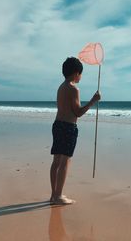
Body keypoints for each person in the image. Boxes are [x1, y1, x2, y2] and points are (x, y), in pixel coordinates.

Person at [50, 57, 101, 205]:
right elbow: (78, 112)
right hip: (68, 127)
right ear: (76, 73)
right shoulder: (73, 88)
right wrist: (93, 100)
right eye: (81, 74)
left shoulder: (61, 87)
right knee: (65, 161)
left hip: (58, 124)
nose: (81, 77)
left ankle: (54, 194)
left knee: (56, 161)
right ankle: (58, 196)